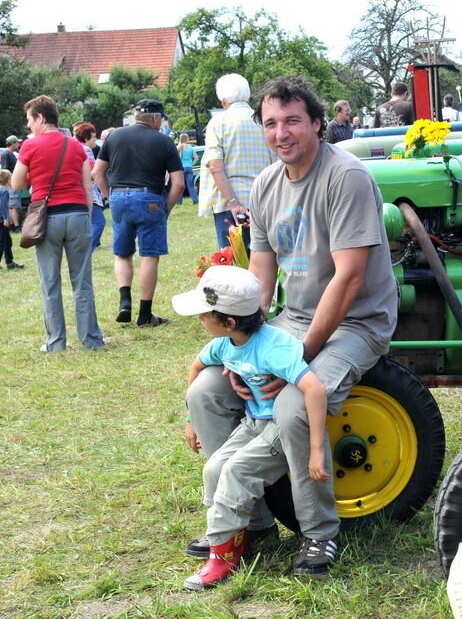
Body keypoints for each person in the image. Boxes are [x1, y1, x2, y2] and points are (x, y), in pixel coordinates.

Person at [186, 75, 398, 576]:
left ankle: (319, 534)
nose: (282, 132)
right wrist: (244, 346)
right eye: (271, 123)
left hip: (355, 322)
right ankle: (250, 521)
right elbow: (261, 278)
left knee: (294, 403)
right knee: (208, 392)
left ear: (318, 124)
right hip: (292, 318)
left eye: (293, 121)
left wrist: (295, 356)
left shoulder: (345, 177)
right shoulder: (264, 185)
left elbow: (348, 280)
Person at [174, 265, 329, 590]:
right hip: (253, 423)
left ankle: (222, 555)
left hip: (277, 427)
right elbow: (197, 365)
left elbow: (314, 388)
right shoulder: (225, 343)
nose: (200, 320)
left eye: (204, 315)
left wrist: (316, 451)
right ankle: (243, 531)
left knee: (236, 472)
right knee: (214, 469)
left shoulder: (274, 347)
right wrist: (190, 420)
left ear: (229, 321)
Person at [11, 95, 104, 352]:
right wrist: (84, 215)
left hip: (47, 218)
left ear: (40, 118)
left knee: (50, 282)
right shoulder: (76, 146)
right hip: (77, 215)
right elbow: (88, 186)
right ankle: (91, 339)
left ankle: (56, 342)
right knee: (82, 280)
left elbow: (17, 183)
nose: (28, 126)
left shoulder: (29, 147)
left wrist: (37, 172)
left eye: (29, 120)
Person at [93, 99, 184, 327]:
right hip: (149, 198)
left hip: (119, 197)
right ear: (154, 118)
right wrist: (165, 209)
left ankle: (125, 302)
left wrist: (107, 197)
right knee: (149, 255)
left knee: (122, 254)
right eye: (160, 118)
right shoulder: (164, 141)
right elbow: (179, 184)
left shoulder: (113, 136)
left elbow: (97, 172)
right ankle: (145, 315)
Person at [199, 74, 274, 250]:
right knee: (266, 260)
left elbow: (215, 166)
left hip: (230, 204)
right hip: (264, 200)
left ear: (223, 100)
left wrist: (233, 202)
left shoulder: (218, 122)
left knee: (234, 266)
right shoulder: (263, 121)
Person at [73, 122, 106, 251]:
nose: (95, 140)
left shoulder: (74, 147)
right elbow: (92, 172)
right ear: (86, 138)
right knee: (99, 222)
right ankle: (86, 250)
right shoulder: (86, 150)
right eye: (94, 137)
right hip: (89, 191)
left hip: (76, 190)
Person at [0, 169, 24, 272]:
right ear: (9, 180)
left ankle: (10, 263)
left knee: (7, 241)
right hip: (0, 221)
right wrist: (5, 218)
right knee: (2, 242)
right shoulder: (5, 191)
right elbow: (2, 206)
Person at [176, 132, 199, 204]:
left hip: (181, 168)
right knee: (191, 186)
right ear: (187, 139)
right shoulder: (191, 148)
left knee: (181, 186)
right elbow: (196, 158)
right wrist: (191, 164)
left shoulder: (179, 147)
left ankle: (179, 202)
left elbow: (178, 158)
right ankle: (195, 201)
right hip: (189, 168)